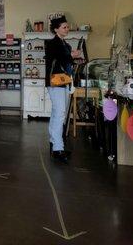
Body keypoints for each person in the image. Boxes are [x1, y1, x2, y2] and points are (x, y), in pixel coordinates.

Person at [45, 16, 81, 163]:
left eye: (67, 27)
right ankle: (58, 148)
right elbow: (62, 58)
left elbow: (66, 58)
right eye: (64, 27)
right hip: (56, 82)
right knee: (60, 114)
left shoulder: (64, 43)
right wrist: (72, 55)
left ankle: (54, 141)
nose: (67, 29)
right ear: (56, 29)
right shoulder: (53, 43)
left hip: (63, 82)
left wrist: (73, 57)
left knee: (57, 113)